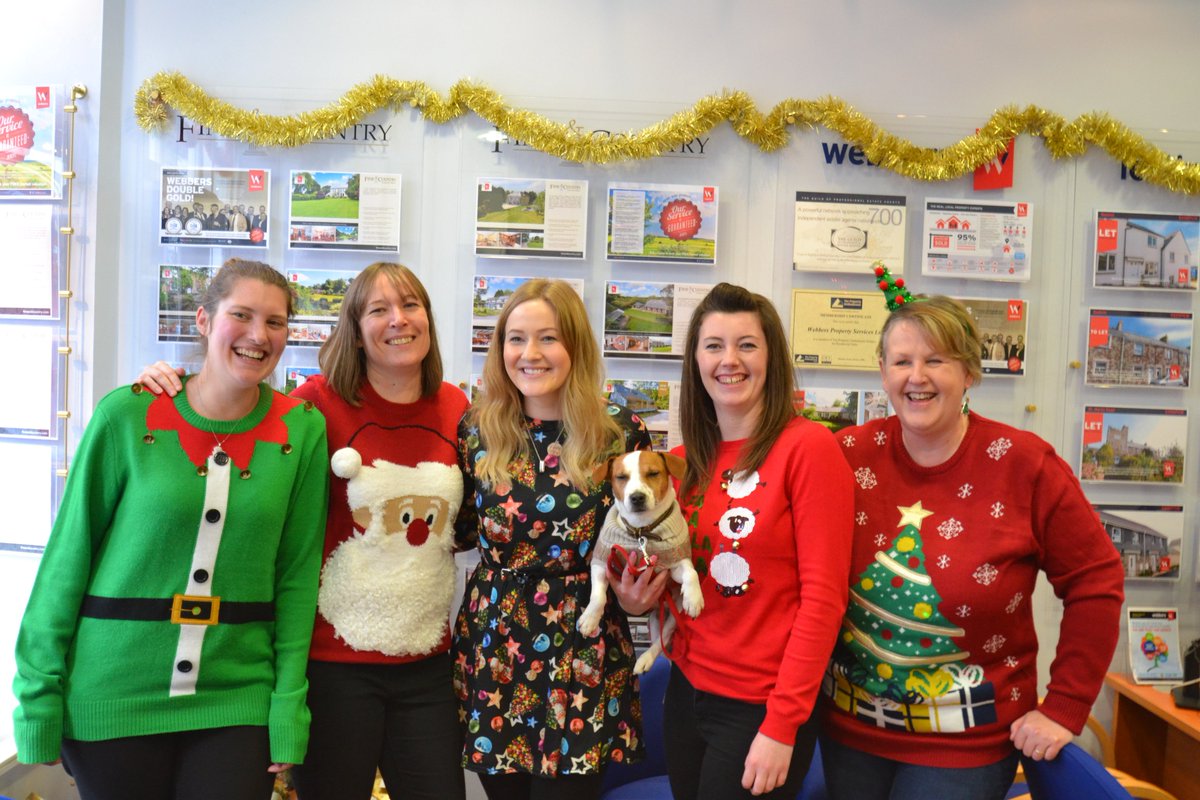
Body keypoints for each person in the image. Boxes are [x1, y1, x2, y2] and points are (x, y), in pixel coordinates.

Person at [136, 261, 470, 800]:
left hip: (426, 663)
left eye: (411, 305)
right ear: (354, 331)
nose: (399, 320)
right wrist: (169, 381)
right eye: (378, 309)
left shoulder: (457, 407)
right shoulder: (314, 405)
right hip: (332, 666)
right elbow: (232, 413)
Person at [13, 258, 329, 800]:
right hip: (115, 692)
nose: (258, 335)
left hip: (237, 697)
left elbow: (297, 578)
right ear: (204, 320)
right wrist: (38, 698)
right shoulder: (127, 416)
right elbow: (67, 560)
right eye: (241, 315)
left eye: (275, 322)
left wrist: (287, 707)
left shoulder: (301, 432)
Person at [820, 293, 1125, 800]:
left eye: (936, 360)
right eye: (902, 361)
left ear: (969, 372)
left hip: (967, 746)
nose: (917, 377)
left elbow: (1096, 580)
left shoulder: (1025, 465)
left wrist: (1064, 706)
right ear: (883, 372)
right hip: (849, 732)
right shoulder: (846, 454)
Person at [623, 282, 855, 799]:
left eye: (747, 344)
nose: (730, 360)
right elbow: (677, 578)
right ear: (696, 361)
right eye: (714, 346)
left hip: (760, 707)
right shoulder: (680, 464)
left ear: (771, 357)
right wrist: (637, 599)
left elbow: (824, 601)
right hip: (686, 692)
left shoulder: (808, 449)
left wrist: (783, 724)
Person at [453, 278, 650, 800]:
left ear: (576, 346)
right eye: (516, 339)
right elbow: (461, 530)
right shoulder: (476, 429)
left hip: (584, 646)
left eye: (548, 338)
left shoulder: (619, 432)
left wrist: (639, 593)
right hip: (496, 648)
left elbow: (643, 537)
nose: (530, 354)